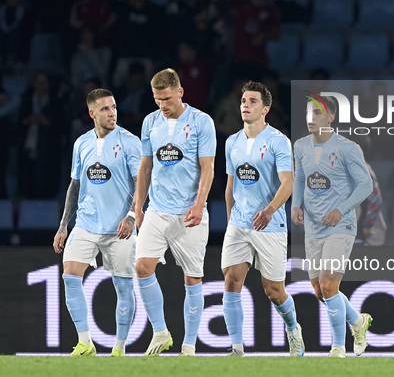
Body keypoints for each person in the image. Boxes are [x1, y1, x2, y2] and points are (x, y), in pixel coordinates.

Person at [52, 88, 141, 357]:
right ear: (92, 113)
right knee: (70, 276)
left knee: (123, 285)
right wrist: (64, 225)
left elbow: (142, 184)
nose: (111, 112)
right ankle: (85, 342)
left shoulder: (130, 142)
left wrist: (132, 216)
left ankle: (119, 347)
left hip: (120, 228)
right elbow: (75, 185)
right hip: (87, 224)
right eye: (104, 109)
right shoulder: (81, 143)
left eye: (113, 107)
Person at [134, 68, 216, 356]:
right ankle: (160, 332)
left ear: (180, 92)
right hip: (157, 209)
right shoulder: (150, 122)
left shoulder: (201, 122)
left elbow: (208, 167)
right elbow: (145, 167)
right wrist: (138, 207)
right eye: (157, 100)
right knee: (142, 267)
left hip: (189, 212)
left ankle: (190, 345)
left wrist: (200, 202)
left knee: (192, 278)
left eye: (167, 99)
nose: (162, 105)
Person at [222, 81, 303, 357]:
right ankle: (236, 348)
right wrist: (232, 218)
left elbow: (287, 184)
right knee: (232, 279)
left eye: (253, 101)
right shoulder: (231, 142)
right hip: (240, 224)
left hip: (271, 225)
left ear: (265, 108)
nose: (246, 104)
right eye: (244, 100)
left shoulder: (278, 141)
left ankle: (293, 328)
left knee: (273, 291)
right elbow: (230, 186)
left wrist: (268, 211)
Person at [292, 96, 374, 358]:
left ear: (331, 117)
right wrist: (296, 205)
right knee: (321, 292)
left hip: (341, 225)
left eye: (318, 113)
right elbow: (300, 178)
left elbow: (365, 185)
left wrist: (342, 210)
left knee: (328, 287)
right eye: (308, 112)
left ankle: (338, 348)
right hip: (313, 227)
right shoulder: (300, 146)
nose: (311, 117)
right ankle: (358, 322)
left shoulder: (348, 148)